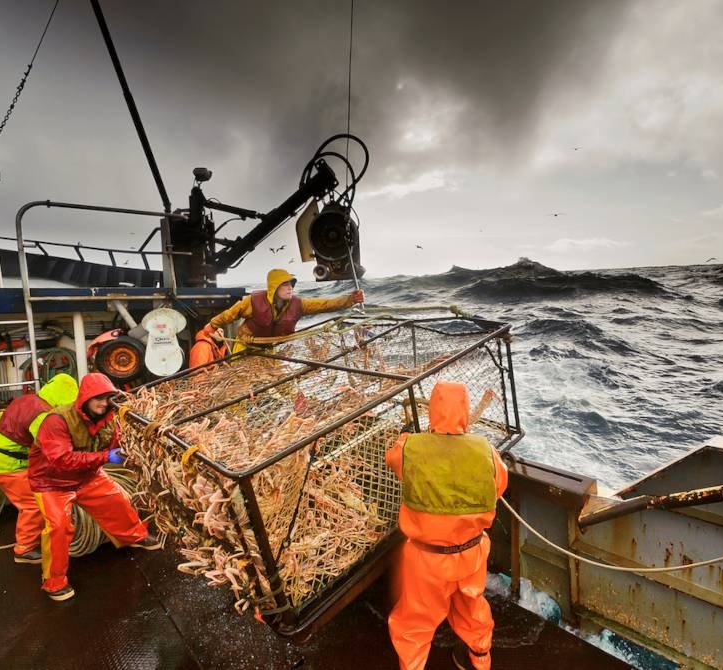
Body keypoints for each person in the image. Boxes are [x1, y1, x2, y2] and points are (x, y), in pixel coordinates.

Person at [385, 381, 509, 670]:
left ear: (433, 412)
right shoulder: (487, 452)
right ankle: (480, 661)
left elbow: (392, 460)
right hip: (471, 555)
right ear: (465, 412)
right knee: (473, 609)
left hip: (427, 562)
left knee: (414, 623)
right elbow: (499, 485)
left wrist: (408, 437)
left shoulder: (410, 447)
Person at [27, 372, 162, 601]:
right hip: (52, 483)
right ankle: (53, 582)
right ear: (84, 398)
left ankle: (135, 536)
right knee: (58, 527)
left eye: (108, 397)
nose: (103, 403)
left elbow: (117, 441)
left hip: (87, 477)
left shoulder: (109, 418)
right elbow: (61, 459)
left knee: (117, 501)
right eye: (97, 398)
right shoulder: (57, 421)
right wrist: (105, 457)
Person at [0, 373, 79, 564]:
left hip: (1, 461)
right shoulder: (43, 415)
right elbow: (51, 447)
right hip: (9, 467)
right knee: (33, 505)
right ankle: (24, 549)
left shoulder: (28, 399)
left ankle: (32, 540)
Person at [199, 268, 363, 351]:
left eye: (291, 284)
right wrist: (212, 326)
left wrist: (350, 300)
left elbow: (325, 304)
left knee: (280, 382)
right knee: (241, 386)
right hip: (245, 346)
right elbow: (230, 314)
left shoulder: (298, 304)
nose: (289, 288)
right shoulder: (253, 301)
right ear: (274, 288)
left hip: (270, 347)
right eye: (285, 285)